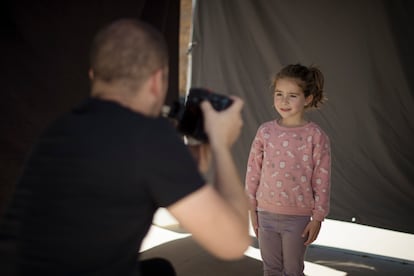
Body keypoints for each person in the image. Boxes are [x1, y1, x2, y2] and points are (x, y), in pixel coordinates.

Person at [0, 18, 251, 275]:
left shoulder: (60, 129)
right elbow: (233, 244)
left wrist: (205, 143)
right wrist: (221, 144)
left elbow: (168, 177)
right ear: (157, 81)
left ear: (93, 75)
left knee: (158, 270)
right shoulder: (148, 136)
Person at [245, 64, 331, 276]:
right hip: (265, 214)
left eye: (292, 95)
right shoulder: (265, 131)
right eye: (279, 94)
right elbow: (253, 170)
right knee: (271, 269)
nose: (284, 101)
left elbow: (322, 178)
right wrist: (251, 208)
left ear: (308, 99)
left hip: (298, 217)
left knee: (293, 270)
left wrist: (318, 217)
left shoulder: (316, 136)